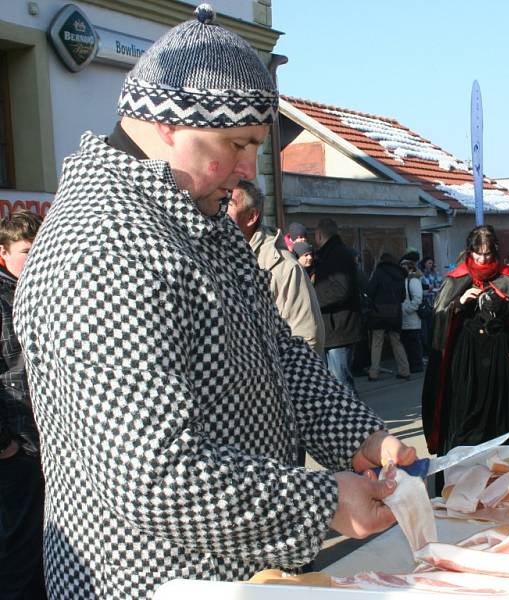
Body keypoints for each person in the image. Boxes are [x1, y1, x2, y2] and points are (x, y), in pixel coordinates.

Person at [13, 8, 416, 598]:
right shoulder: (105, 244)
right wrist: (324, 500)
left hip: (232, 569)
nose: (248, 168)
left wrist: (358, 436)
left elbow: (277, 352)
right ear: (169, 124)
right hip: (149, 579)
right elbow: (154, 475)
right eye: (236, 144)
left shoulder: (200, 223)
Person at [422, 225, 509, 478]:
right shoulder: (456, 278)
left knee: (497, 416)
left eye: (487, 254)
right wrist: (459, 304)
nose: (483, 259)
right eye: (478, 254)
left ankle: (500, 475)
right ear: (470, 251)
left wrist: (505, 308)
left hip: (500, 360)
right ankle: (459, 477)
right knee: (465, 415)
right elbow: (439, 319)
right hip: (465, 361)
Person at [0, 210, 46, 600]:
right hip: (17, 450)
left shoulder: (40, 293)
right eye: (27, 251)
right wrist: (5, 445)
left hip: (45, 445)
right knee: (20, 557)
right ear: (3, 254)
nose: (35, 258)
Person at [227, 180, 325, 355]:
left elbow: (307, 337)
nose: (220, 211)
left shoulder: (284, 268)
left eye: (229, 204)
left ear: (251, 217)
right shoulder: (217, 255)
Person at [314, 217, 363, 396]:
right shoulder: (330, 254)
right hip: (335, 328)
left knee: (341, 383)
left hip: (340, 329)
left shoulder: (337, 255)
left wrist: (313, 299)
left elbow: (340, 290)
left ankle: (356, 421)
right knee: (336, 383)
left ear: (319, 235)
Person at [366, 253, 410, 381]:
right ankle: (404, 370)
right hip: (395, 313)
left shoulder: (378, 272)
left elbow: (370, 291)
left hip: (378, 312)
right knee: (396, 341)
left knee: (377, 342)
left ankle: (374, 372)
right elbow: (402, 296)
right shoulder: (400, 275)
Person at [399, 258, 425, 374]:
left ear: (410, 268)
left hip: (412, 318)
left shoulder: (413, 280)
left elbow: (417, 299)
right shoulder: (403, 279)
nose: (402, 268)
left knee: (413, 344)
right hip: (404, 318)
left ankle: (417, 366)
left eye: (404, 266)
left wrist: (406, 310)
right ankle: (412, 365)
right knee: (408, 343)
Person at [419, 255, 443, 354]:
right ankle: (426, 347)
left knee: (433, 325)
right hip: (426, 302)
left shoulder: (435, 273)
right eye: (429, 263)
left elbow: (440, 283)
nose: (431, 265)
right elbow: (422, 288)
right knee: (426, 327)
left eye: (432, 263)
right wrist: (429, 288)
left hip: (434, 301)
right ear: (424, 263)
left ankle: (433, 345)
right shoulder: (421, 274)